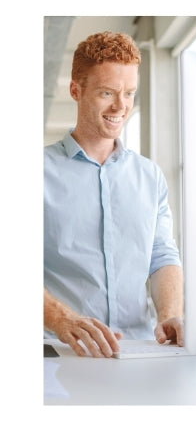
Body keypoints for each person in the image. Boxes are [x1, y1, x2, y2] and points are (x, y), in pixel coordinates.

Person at [44, 31, 184, 358]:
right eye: (107, 92)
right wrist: (63, 320)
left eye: (129, 93)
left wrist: (170, 315)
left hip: (138, 350)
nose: (121, 106)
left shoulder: (150, 176)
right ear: (76, 91)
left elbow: (162, 255)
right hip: (59, 350)